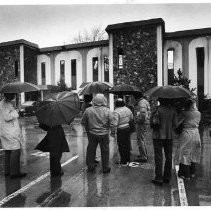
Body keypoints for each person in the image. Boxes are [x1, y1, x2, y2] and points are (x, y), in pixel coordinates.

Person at [81, 93, 115, 173]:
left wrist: (87, 130)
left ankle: (90, 166)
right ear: (104, 100)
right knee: (105, 151)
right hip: (104, 134)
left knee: (91, 150)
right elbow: (112, 123)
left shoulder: (88, 110)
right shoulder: (107, 111)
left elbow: (83, 122)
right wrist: (112, 132)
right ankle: (105, 168)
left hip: (92, 134)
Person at [0, 93, 27, 179]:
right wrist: (16, 111)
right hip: (9, 132)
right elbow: (7, 117)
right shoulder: (5, 104)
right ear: (8, 95)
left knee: (8, 151)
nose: (14, 96)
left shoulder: (5, 103)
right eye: (13, 95)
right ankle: (15, 173)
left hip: (6, 131)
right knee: (15, 151)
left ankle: (8, 171)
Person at [151, 98, 177, 185]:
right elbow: (175, 124)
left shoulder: (156, 109)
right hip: (169, 136)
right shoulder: (173, 110)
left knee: (158, 157)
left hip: (157, 136)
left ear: (160, 101)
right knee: (169, 157)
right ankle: (167, 177)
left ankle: (158, 178)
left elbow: (151, 123)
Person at [177, 98, 201, 180]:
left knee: (184, 153)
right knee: (193, 153)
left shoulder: (184, 113)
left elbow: (177, 124)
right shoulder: (198, 113)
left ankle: (185, 175)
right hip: (196, 134)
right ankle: (192, 173)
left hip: (187, 134)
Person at [113, 98, 134, 165]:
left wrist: (113, 131)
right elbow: (132, 118)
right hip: (127, 128)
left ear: (116, 104)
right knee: (127, 144)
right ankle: (128, 159)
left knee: (121, 145)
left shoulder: (116, 111)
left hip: (120, 130)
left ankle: (123, 160)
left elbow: (115, 123)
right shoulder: (127, 109)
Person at [134, 93, 151, 162]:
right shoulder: (144, 101)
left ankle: (143, 156)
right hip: (144, 122)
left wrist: (138, 120)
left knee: (140, 139)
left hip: (142, 123)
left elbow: (143, 114)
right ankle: (144, 154)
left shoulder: (141, 103)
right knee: (142, 139)